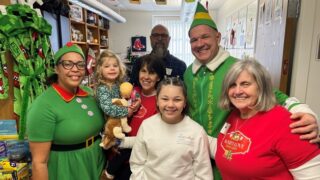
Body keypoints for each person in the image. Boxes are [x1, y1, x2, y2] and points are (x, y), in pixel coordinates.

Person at [184, 2, 320, 179]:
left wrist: (302, 111)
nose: (199, 43)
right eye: (194, 40)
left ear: (218, 37)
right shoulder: (188, 72)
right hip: (201, 155)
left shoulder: (236, 67)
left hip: (236, 158)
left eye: (205, 37)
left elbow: (274, 95)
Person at [215, 59, 320, 179]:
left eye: (245, 84)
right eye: (232, 85)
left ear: (261, 87)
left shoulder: (285, 123)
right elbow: (230, 150)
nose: (237, 91)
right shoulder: (235, 115)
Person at [26, 42, 106, 180]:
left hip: (96, 162)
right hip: (68, 169)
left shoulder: (88, 93)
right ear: (57, 68)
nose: (75, 69)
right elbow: (39, 163)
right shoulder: (43, 105)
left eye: (80, 64)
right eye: (68, 64)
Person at [130, 76, 213, 180]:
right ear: (157, 100)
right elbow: (137, 162)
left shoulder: (196, 131)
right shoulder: (147, 125)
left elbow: (203, 174)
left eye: (177, 99)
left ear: (185, 102)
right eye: (165, 99)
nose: (170, 104)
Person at [103, 54, 165, 180]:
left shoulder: (161, 100)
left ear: (158, 77)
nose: (146, 77)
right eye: (143, 71)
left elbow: (152, 138)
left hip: (138, 161)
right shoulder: (131, 92)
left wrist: (120, 143)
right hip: (116, 153)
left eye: (152, 73)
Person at [94, 49, 140, 179]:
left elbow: (130, 93)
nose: (112, 69)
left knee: (125, 150)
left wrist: (136, 100)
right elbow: (107, 108)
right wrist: (127, 111)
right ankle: (109, 172)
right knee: (122, 150)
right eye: (107, 66)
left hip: (119, 124)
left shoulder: (118, 84)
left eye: (115, 66)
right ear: (100, 69)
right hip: (109, 127)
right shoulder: (103, 88)